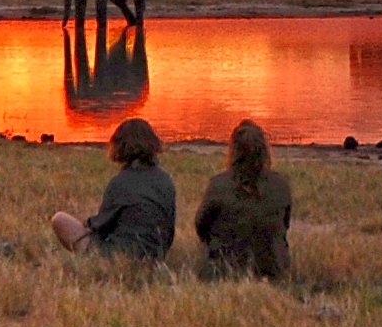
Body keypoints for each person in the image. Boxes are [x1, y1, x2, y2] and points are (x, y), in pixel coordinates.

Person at [49, 116, 176, 260]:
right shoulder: (166, 180)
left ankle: (89, 261)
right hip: (156, 255)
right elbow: (169, 227)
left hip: (121, 256)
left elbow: (101, 226)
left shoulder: (121, 182)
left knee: (60, 219)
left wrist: (87, 225)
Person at [193, 119, 292, 282]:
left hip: (224, 270)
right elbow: (285, 224)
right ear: (265, 150)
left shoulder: (219, 185)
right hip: (272, 270)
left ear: (234, 151)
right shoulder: (281, 185)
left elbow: (201, 226)